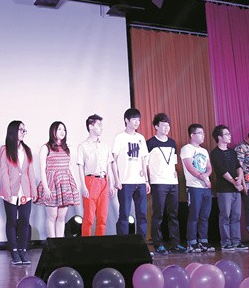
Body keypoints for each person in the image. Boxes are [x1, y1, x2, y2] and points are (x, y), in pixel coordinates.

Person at [0, 120, 37, 265]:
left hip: (25, 191)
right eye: (21, 130)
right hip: (11, 191)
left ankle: (23, 250)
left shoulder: (27, 149)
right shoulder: (4, 149)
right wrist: (8, 192)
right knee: (11, 221)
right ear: (13, 131)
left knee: (24, 221)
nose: (23, 132)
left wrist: (33, 191)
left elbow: (30, 172)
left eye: (24, 130)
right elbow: (4, 172)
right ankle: (14, 251)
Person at [147, 113, 184, 254]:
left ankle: (175, 243)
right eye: (163, 125)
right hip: (158, 182)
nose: (166, 127)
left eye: (168, 125)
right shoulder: (150, 143)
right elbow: (145, 163)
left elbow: (173, 162)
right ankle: (158, 243)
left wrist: (174, 172)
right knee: (158, 214)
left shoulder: (172, 143)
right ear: (156, 127)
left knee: (173, 214)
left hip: (172, 182)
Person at [111, 108, 150, 237]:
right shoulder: (119, 137)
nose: (137, 122)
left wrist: (146, 181)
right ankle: (123, 244)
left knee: (142, 214)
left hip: (140, 182)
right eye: (134, 119)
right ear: (126, 120)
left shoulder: (141, 138)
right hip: (125, 182)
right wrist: (117, 180)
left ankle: (142, 243)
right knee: (124, 215)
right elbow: (113, 160)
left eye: (139, 120)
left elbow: (144, 160)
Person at [37, 121, 80, 238]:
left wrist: (75, 185)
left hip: (65, 184)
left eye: (64, 129)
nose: (62, 132)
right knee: (52, 216)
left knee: (61, 217)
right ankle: (52, 243)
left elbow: (69, 167)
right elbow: (42, 169)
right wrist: (46, 188)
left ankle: (60, 242)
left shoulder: (67, 148)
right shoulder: (46, 148)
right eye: (59, 129)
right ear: (53, 131)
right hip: (52, 184)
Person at [76, 114, 115, 237]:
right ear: (91, 126)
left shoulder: (105, 145)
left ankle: (100, 243)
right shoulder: (83, 146)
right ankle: (85, 243)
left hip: (104, 181)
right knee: (89, 217)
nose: (101, 128)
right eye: (99, 125)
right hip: (90, 181)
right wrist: (83, 186)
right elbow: (80, 167)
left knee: (102, 217)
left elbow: (109, 165)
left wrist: (111, 184)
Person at [210, 124, 247, 252]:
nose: (229, 136)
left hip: (236, 188)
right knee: (225, 216)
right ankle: (226, 242)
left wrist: (240, 179)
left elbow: (238, 167)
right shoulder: (215, 153)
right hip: (224, 189)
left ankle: (236, 241)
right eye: (226, 134)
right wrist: (234, 181)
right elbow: (221, 170)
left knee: (236, 216)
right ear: (219, 137)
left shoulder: (232, 152)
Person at [180, 123, 214, 252]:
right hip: (194, 186)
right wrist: (202, 177)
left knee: (205, 215)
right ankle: (192, 242)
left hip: (206, 187)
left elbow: (209, 167)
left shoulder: (204, 151)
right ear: (192, 135)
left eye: (203, 133)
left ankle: (203, 241)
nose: (203, 135)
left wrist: (206, 176)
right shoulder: (186, 149)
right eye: (200, 133)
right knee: (194, 215)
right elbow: (189, 167)